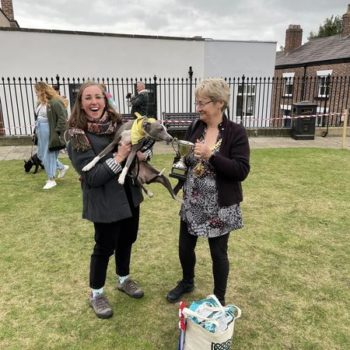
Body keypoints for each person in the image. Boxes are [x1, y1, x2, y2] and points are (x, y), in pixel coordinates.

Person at [66, 81, 149, 319]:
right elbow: (92, 176)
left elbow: (137, 153)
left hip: (129, 194)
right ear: (80, 103)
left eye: (98, 97)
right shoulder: (77, 135)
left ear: (105, 100)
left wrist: (142, 153)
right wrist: (121, 156)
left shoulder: (119, 126)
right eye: (88, 98)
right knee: (104, 248)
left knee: (127, 239)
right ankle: (97, 294)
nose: (94, 102)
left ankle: (123, 279)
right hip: (104, 200)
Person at [166, 78, 250, 306]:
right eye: (197, 102)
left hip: (220, 206)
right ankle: (187, 281)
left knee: (218, 254)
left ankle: (218, 298)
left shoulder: (236, 132)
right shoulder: (196, 127)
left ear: (219, 103)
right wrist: (182, 159)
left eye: (202, 103)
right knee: (185, 247)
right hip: (193, 201)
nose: (198, 108)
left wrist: (211, 156)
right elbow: (185, 156)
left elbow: (241, 170)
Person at [34, 82, 69, 190]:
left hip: (49, 131)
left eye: (37, 91)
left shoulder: (55, 102)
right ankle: (62, 167)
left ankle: (51, 179)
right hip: (40, 129)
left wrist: (57, 132)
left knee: (48, 155)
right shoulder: (40, 102)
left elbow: (63, 118)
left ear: (42, 90)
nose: (36, 93)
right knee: (40, 154)